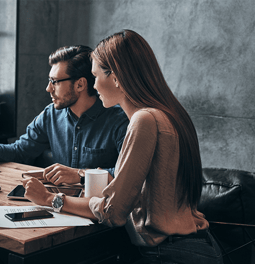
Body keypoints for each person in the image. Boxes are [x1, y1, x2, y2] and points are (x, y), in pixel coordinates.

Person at [22, 30, 223, 263]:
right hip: (194, 248)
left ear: (116, 77)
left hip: (169, 254)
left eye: (96, 76)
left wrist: (49, 199)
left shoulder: (144, 120)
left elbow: (113, 212)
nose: (94, 86)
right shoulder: (170, 113)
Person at [0, 45, 129, 185]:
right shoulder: (50, 115)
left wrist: (80, 174)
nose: (48, 88)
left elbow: (126, 176)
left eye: (55, 82)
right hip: (58, 206)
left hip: (99, 215)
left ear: (80, 85)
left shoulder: (119, 121)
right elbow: (20, 152)